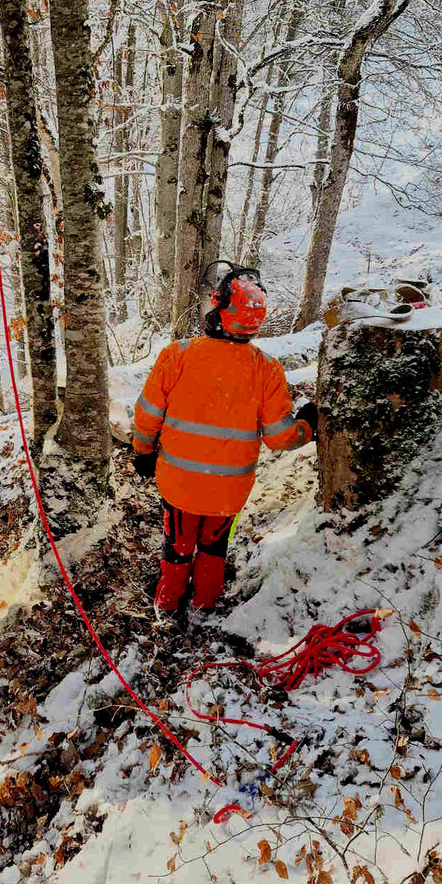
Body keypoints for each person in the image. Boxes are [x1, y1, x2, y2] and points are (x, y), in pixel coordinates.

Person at [131, 266, 316, 624]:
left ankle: (167, 606)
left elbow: (147, 415)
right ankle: (204, 605)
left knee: (178, 546)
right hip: (229, 490)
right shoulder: (267, 369)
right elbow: (280, 437)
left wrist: (142, 452)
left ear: (218, 308)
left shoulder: (178, 355)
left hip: (178, 484)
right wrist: (308, 426)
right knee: (214, 546)